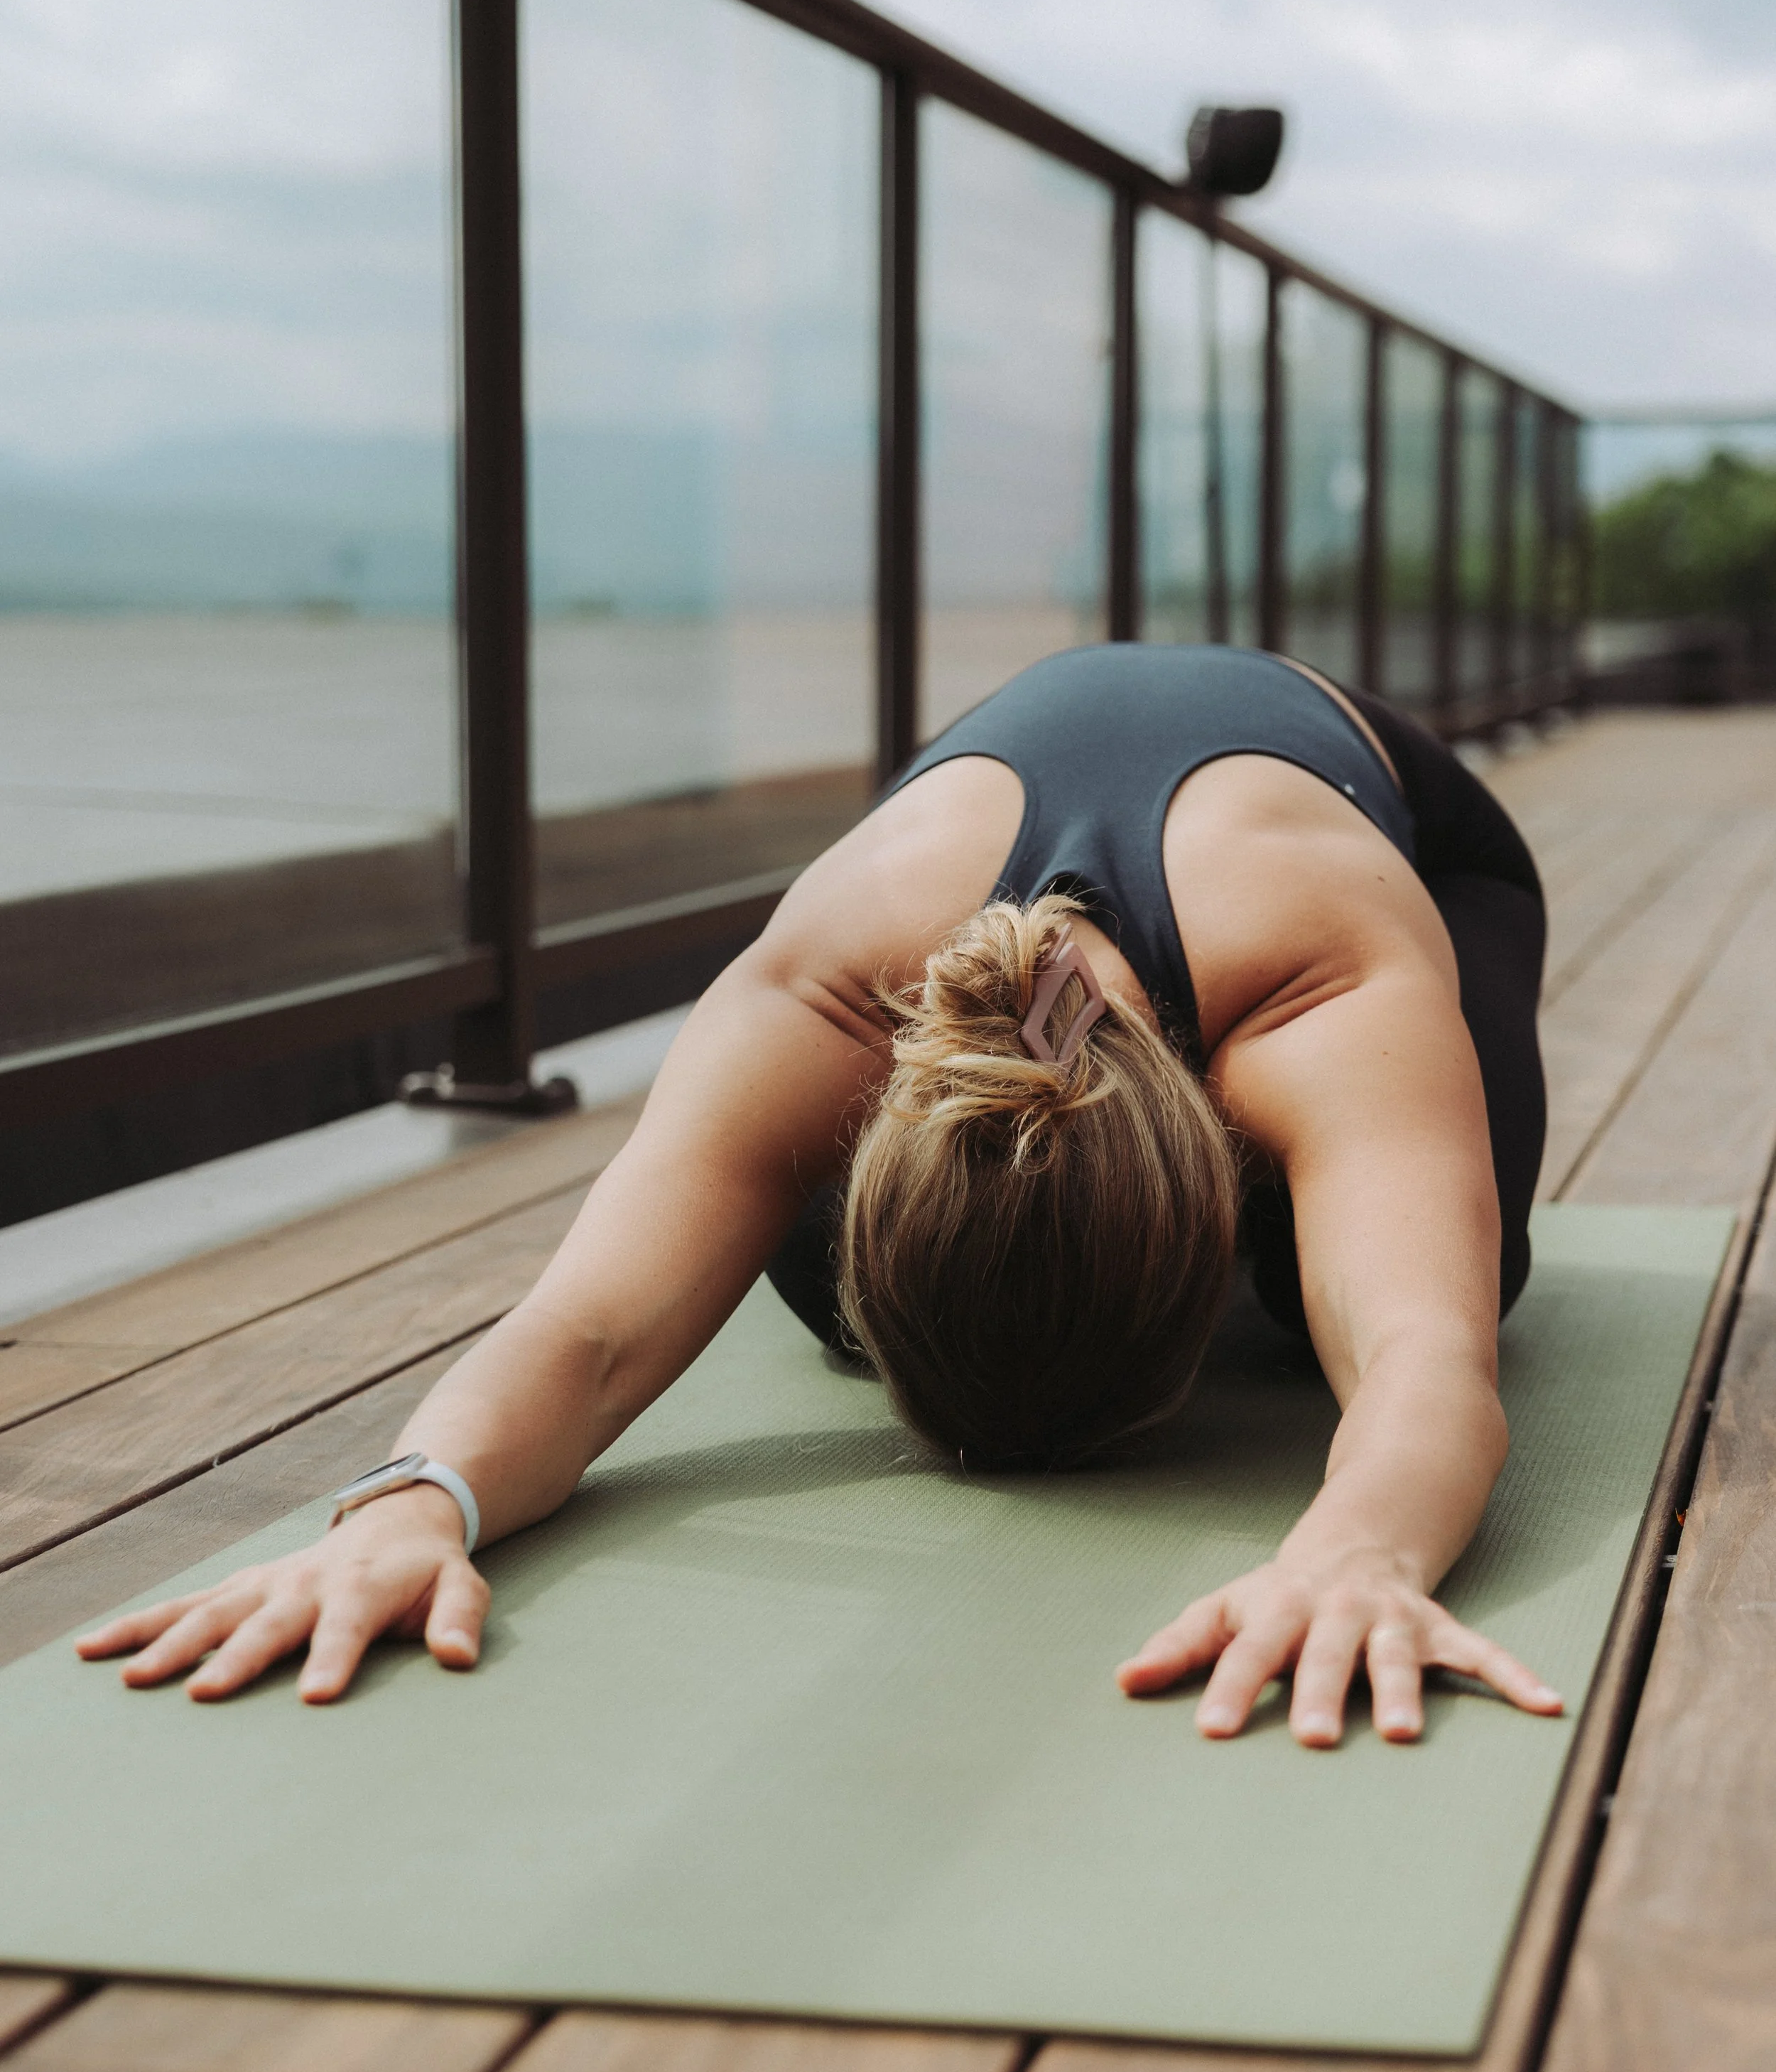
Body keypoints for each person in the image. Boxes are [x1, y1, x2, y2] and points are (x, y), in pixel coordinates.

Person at [80, 644, 1566, 1750]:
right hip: (981, 850)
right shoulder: (829, 987)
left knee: (1443, 1265)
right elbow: (584, 1330)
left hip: (1409, 830)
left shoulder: (1308, 970)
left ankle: (1276, 1228)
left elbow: (1425, 1363)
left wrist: (1352, 1554)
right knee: (790, 1264)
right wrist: (407, 1510)